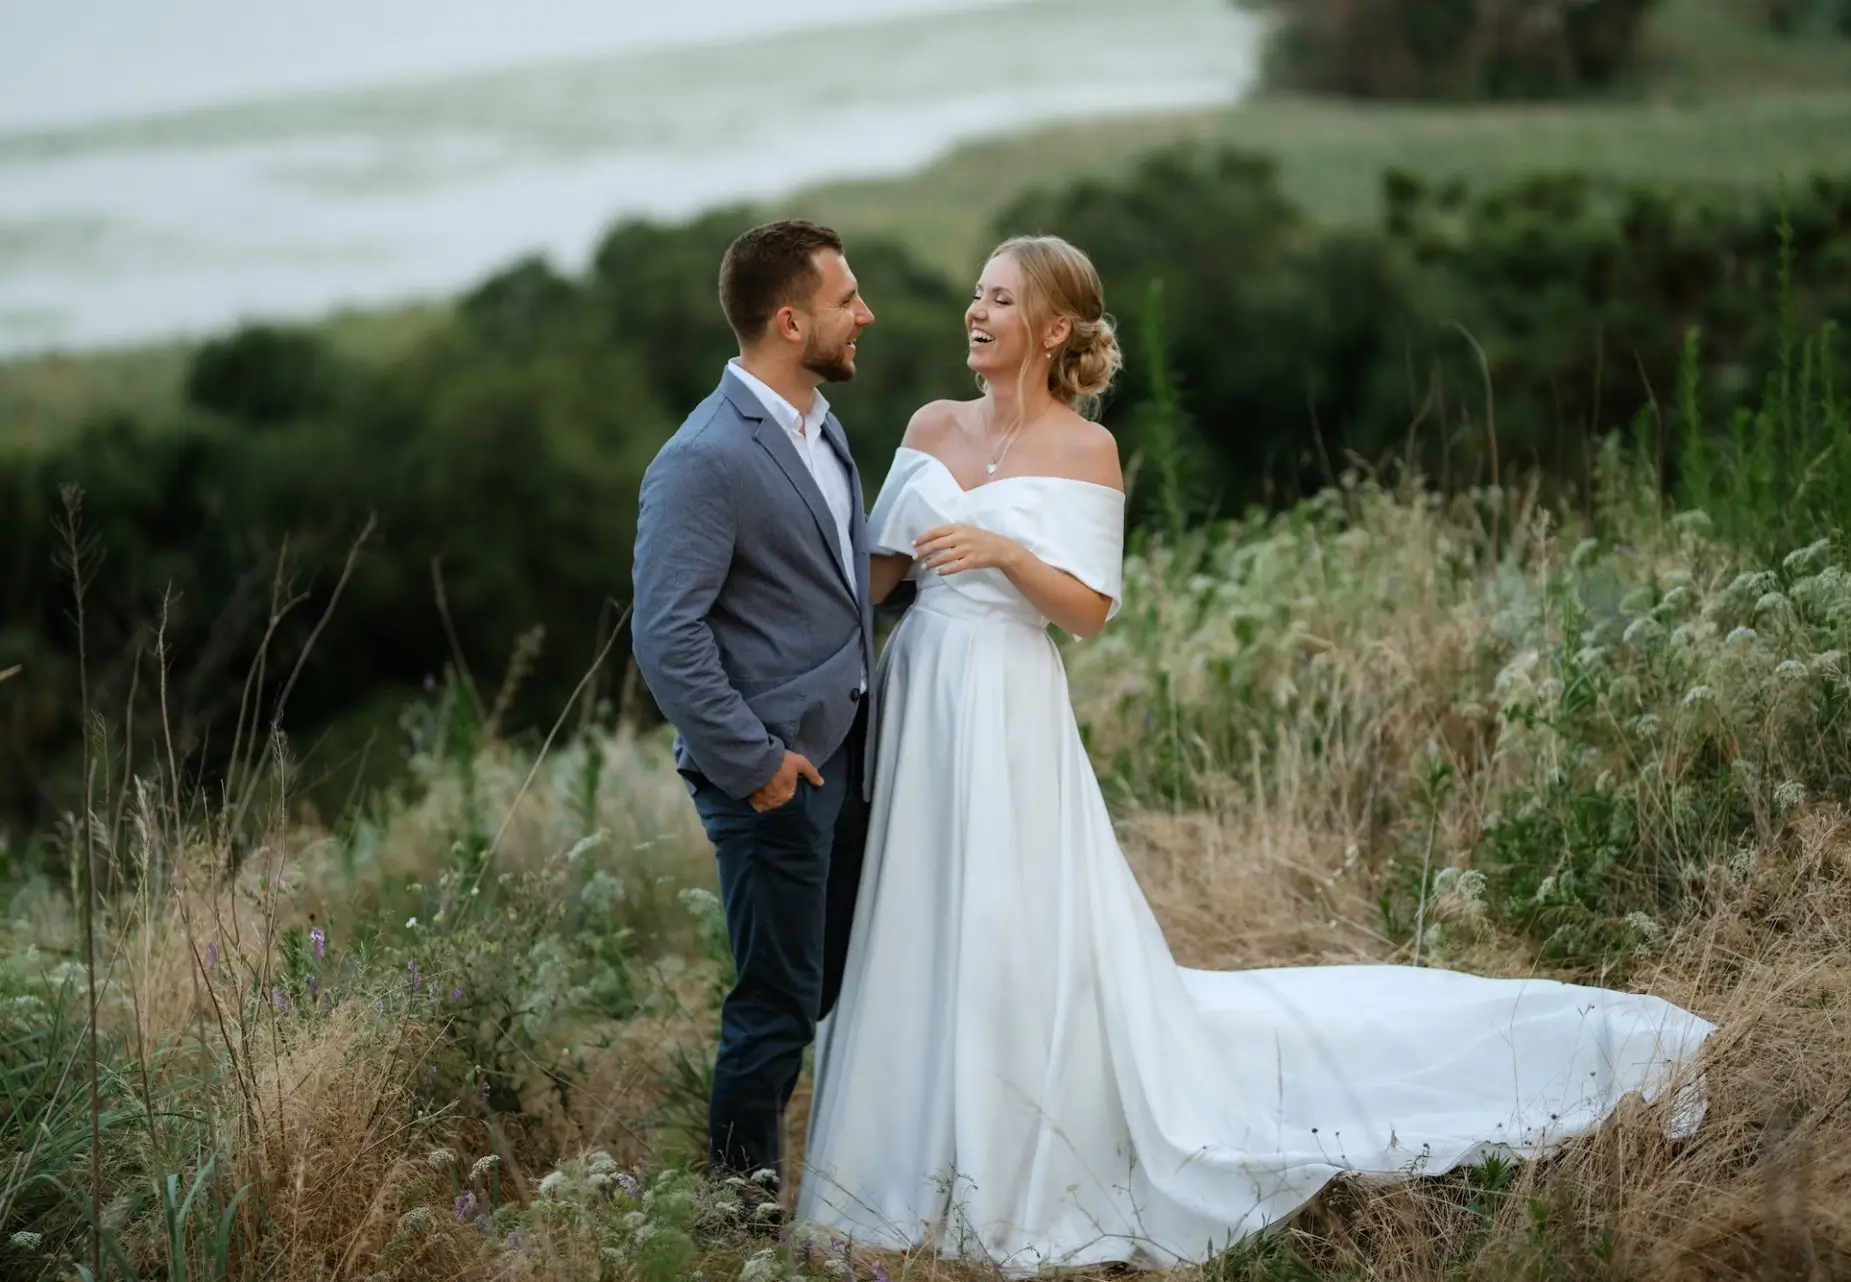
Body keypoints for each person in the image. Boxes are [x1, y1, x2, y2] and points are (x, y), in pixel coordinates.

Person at [795, 235, 1716, 1270]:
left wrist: (1006, 550)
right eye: (976, 295)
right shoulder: (928, 425)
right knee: (918, 909)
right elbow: (872, 578)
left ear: (1051, 330)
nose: (976, 313)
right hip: (923, 693)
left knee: (1012, 920)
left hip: (1009, 698)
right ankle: (901, 1167)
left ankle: (1016, 1157)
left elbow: (1090, 611)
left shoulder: (1084, 450)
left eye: (1000, 301)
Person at [630, 219, 877, 1209]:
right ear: (788, 320)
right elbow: (666, 634)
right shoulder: (702, 459)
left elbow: (823, 580)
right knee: (775, 1006)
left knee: (822, 987)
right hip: (774, 778)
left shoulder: (821, 423)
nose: (865, 313)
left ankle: (831, 1182)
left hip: (849, 755)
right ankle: (740, 1228)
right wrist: (757, 762)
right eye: (846, 299)